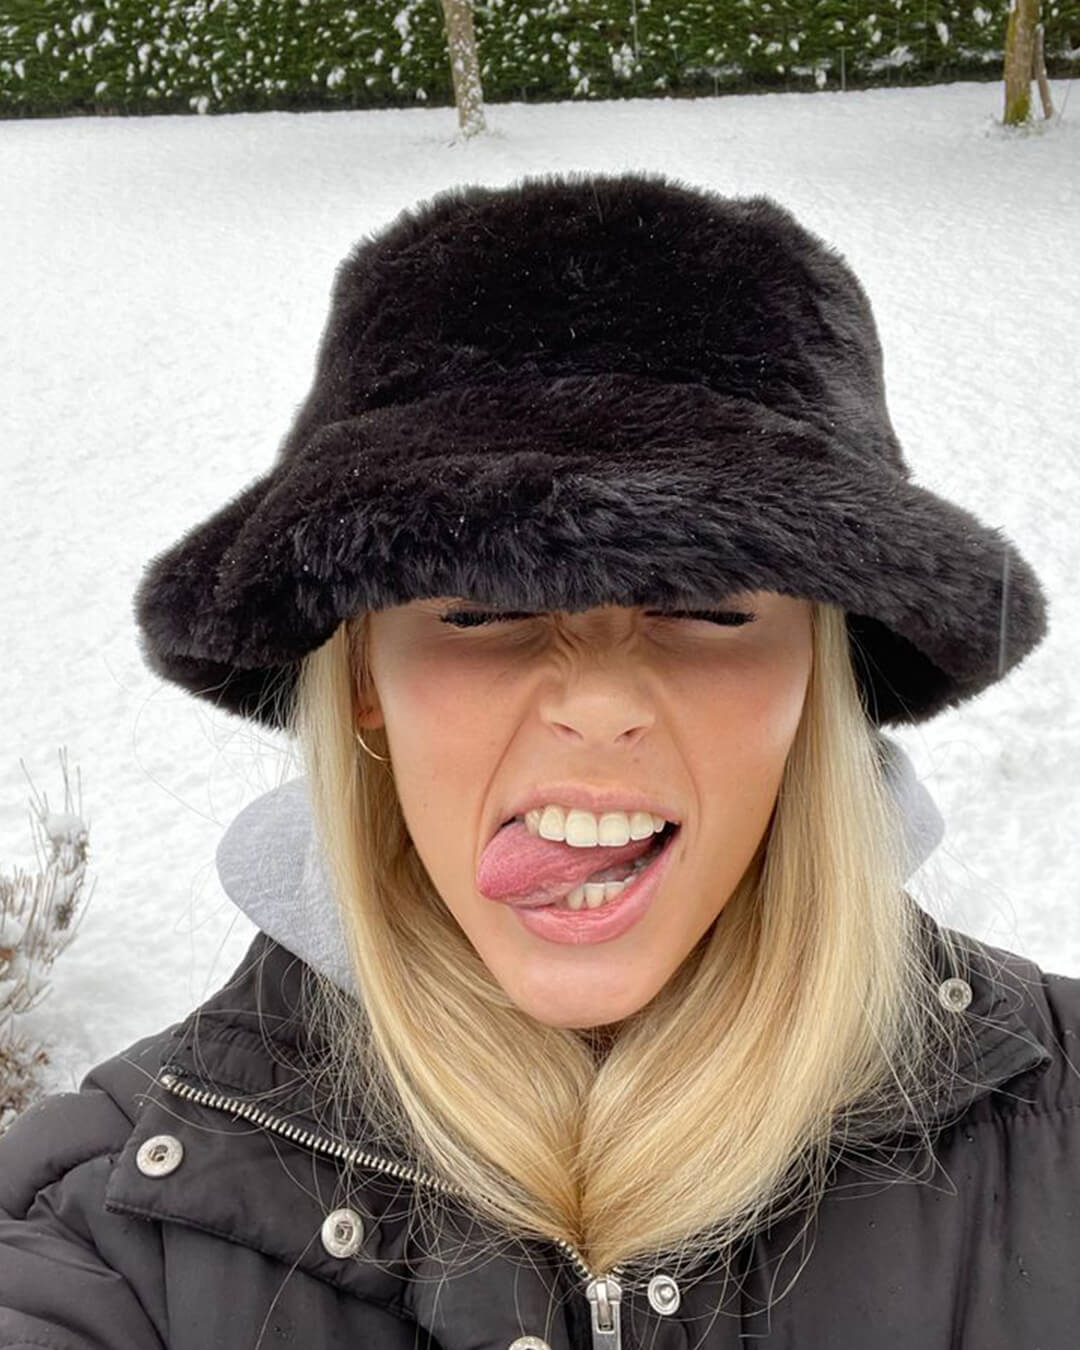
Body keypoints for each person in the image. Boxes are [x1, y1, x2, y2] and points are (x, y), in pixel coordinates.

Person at [0, 171, 1074, 1350]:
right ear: (361, 679)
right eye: (479, 608)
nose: (599, 700)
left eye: (710, 604)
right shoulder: (105, 1228)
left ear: (821, 676)